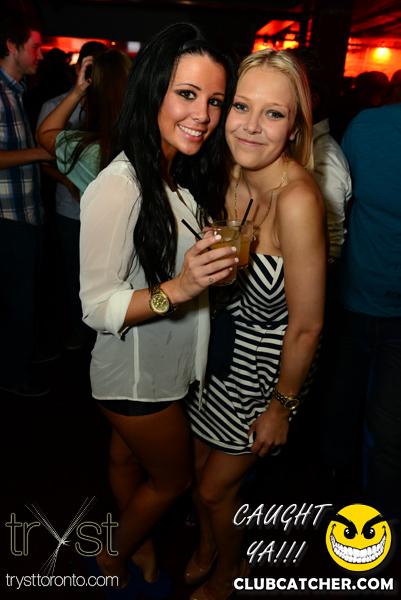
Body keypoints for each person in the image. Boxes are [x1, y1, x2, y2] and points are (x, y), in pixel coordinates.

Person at [76, 23, 238, 600]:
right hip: (136, 379)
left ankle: (138, 546)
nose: (203, 115)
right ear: (152, 92)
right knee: (173, 479)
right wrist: (182, 286)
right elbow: (97, 306)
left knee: (125, 460)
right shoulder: (120, 186)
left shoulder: (173, 174)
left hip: (155, 369)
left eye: (215, 100)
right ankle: (112, 554)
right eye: (187, 94)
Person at [183, 49, 327, 600]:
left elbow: (307, 326)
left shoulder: (299, 200)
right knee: (197, 470)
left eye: (274, 113)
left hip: (267, 373)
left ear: (295, 127)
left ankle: (228, 572)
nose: (250, 126)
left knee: (216, 490)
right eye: (242, 106)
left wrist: (281, 407)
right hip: (219, 355)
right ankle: (206, 548)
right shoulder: (230, 173)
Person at [319, 99, 401, 539]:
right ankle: (326, 493)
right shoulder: (368, 127)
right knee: (337, 403)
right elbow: (339, 207)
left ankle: (376, 528)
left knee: (388, 430)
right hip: (351, 301)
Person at [36, 46, 126, 350]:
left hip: (94, 226)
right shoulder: (149, 140)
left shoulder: (89, 147)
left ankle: (92, 332)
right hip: (88, 221)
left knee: (87, 281)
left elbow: (46, 133)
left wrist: (77, 91)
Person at [0, 8, 55, 397]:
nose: (40, 54)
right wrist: (40, 153)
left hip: (25, 212)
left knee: (25, 299)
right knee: (17, 303)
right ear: (12, 46)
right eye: (34, 47)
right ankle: (12, 376)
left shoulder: (16, 90)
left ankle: (19, 358)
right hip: (7, 218)